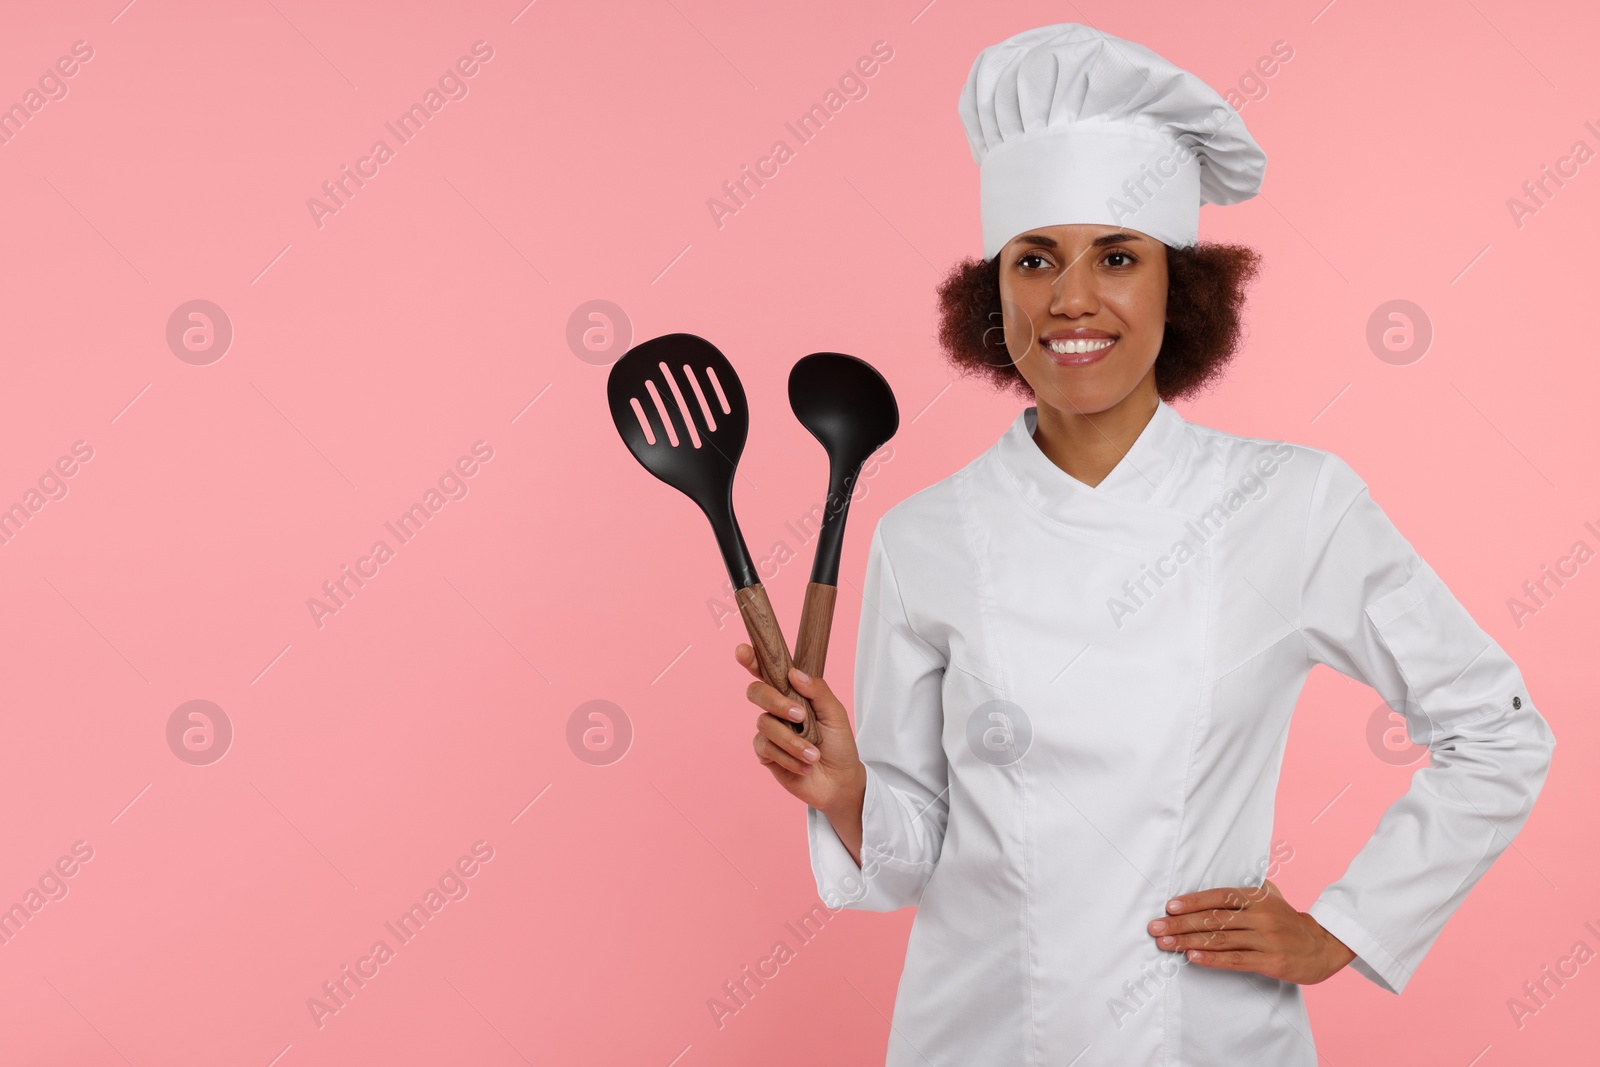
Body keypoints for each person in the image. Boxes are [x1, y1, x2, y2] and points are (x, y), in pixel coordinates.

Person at [734, 22, 1554, 1066]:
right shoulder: (924, 534)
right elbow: (904, 863)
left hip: (1212, 1038)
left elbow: (1498, 729)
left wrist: (1347, 926)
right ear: (996, 294)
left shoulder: (1291, 504)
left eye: (1116, 256)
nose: (1071, 298)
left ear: (1181, 286)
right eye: (1035, 259)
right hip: (976, 1037)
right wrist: (847, 787)